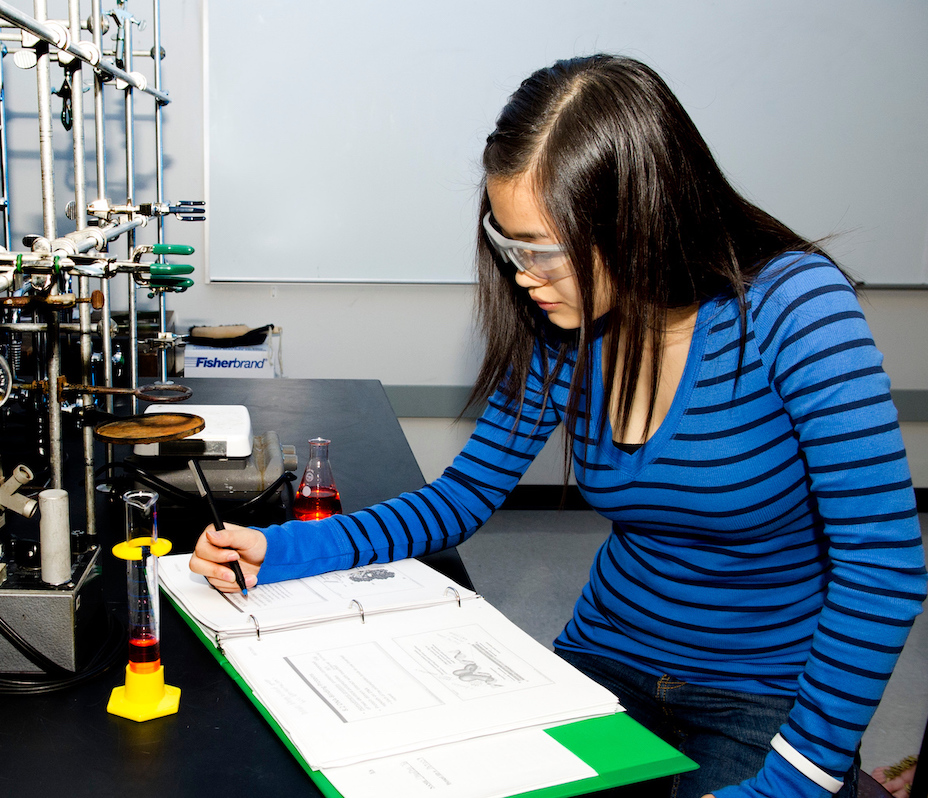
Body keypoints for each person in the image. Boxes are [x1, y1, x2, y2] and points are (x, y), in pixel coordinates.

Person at [189, 54, 927, 798]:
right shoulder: (565, 323)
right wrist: (279, 549)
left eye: (541, 251)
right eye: (508, 246)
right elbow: (462, 497)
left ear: (640, 217)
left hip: (767, 693)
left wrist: (798, 781)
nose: (519, 276)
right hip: (610, 655)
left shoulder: (796, 308)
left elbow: (884, 569)